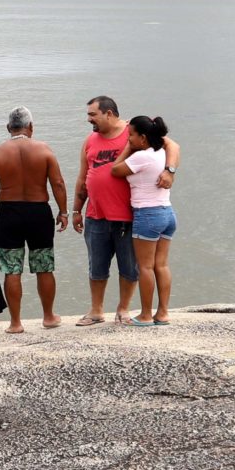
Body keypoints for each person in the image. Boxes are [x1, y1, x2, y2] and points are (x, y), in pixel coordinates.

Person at [72, 96, 181, 326]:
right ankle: (96, 310)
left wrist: (170, 171)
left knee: (130, 267)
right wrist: (75, 210)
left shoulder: (135, 132)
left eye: (93, 114)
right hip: (96, 213)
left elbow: (172, 145)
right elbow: (83, 177)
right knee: (97, 265)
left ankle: (123, 309)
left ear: (109, 113)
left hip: (128, 215)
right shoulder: (90, 140)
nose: (88, 119)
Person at [0, 105, 69, 334]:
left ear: (8, 128)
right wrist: (63, 212)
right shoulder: (44, 150)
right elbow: (58, 184)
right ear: (31, 127)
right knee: (44, 267)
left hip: (8, 214)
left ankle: (15, 323)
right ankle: (49, 317)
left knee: (12, 269)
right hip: (38, 213)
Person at [112, 116, 178, 325]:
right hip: (167, 212)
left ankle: (146, 314)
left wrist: (128, 149)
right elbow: (171, 144)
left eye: (131, 135)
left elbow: (115, 170)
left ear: (143, 137)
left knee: (145, 267)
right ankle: (163, 313)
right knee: (161, 265)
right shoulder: (162, 153)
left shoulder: (141, 157)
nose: (128, 139)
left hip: (147, 215)